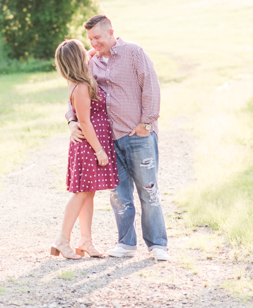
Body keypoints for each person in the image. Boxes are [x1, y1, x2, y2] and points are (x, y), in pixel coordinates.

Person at [66, 15, 169, 261]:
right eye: (90, 39)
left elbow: (151, 86)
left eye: (98, 38)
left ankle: (157, 245)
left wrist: (147, 122)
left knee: (148, 191)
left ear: (111, 32)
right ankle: (126, 243)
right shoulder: (90, 61)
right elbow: (74, 91)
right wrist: (71, 120)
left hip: (138, 136)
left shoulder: (134, 52)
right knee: (119, 195)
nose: (94, 43)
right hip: (108, 141)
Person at [51, 39, 120, 259]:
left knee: (88, 193)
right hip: (89, 146)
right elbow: (86, 122)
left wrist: (108, 41)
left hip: (91, 144)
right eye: (83, 51)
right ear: (77, 59)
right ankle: (62, 239)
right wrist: (100, 151)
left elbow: (92, 51)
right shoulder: (80, 86)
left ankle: (86, 241)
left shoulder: (79, 77)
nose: (87, 53)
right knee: (81, 193)